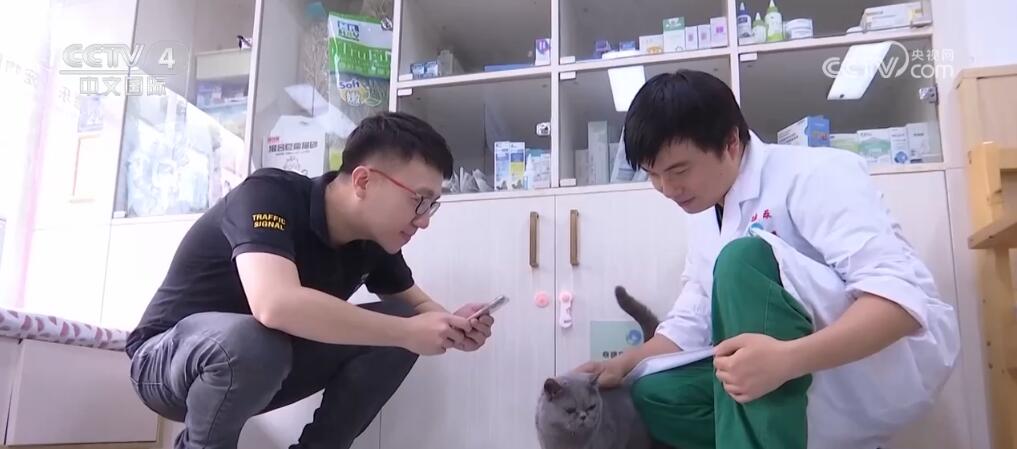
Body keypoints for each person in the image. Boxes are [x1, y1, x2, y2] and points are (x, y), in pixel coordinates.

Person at [576, 70, 959, 449]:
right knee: (655, 393)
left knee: (742, 260)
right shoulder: (705, 211)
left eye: (679, 170)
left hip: (869, 369)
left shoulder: (815, 173)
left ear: (730, 142)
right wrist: (624, 363)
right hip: (785, 377)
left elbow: (900, 305)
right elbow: (692, 319)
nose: (668, 189)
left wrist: (788, 359)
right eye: (653, 175)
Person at [126, 112, 496, 449]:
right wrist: (408, 331)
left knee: (401, 321)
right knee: (256, 339)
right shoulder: (270, 194)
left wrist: (454, 326)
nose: (424, 220)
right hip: (167, 363)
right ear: (364, 181)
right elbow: (275, 305)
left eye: (432, 205)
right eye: (419, 200)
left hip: (263, 364)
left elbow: (419, 310)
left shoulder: (373, 241)